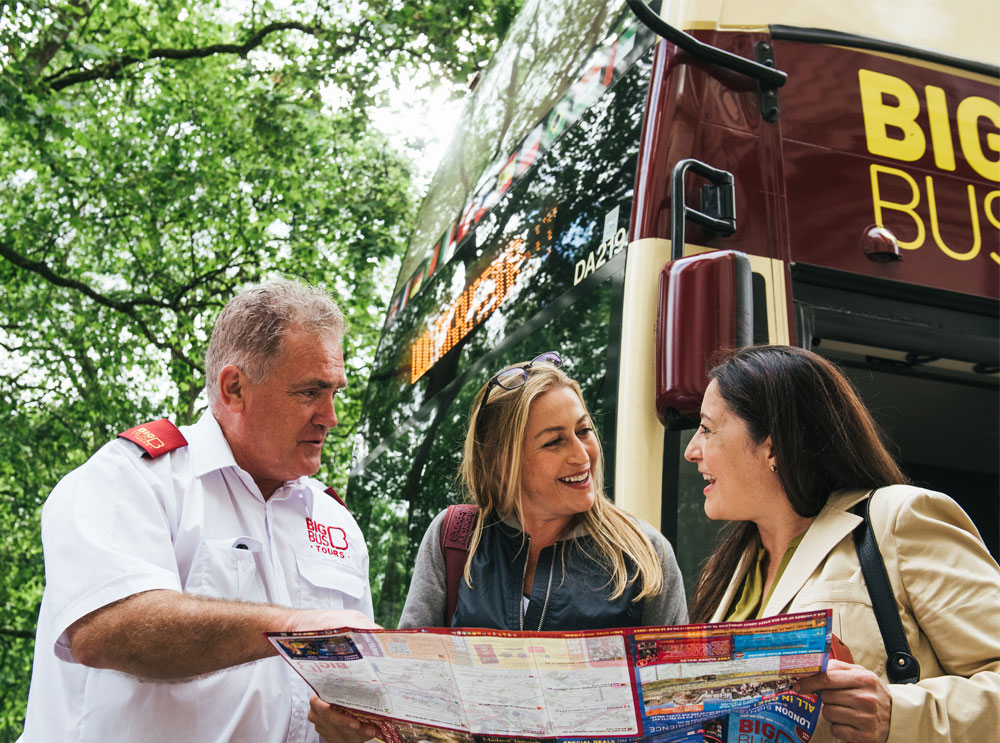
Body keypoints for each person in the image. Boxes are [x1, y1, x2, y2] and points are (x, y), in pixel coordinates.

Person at [19, 278, 379, 743]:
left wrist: (356, 726)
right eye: (310, 392)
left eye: (335, 392)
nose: (330, 416)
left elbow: (357, 692)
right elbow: (104, 628)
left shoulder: (336, 523)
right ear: (234, 389)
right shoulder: (131, 479)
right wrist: (292, 628)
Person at [309, 352, 687, 741]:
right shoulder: (454, 538)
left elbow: (678, 715)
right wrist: (358, 726)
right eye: (555, 441)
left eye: (584, 430)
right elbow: (411, 703)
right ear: (502, 462)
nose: (582, 455)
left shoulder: (644, 554)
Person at [684, 345, 999, 743]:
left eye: (708, 428)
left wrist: (899, 714)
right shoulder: (729, 570)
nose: (691, 450)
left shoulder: (899, 518)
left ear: (773, 444)